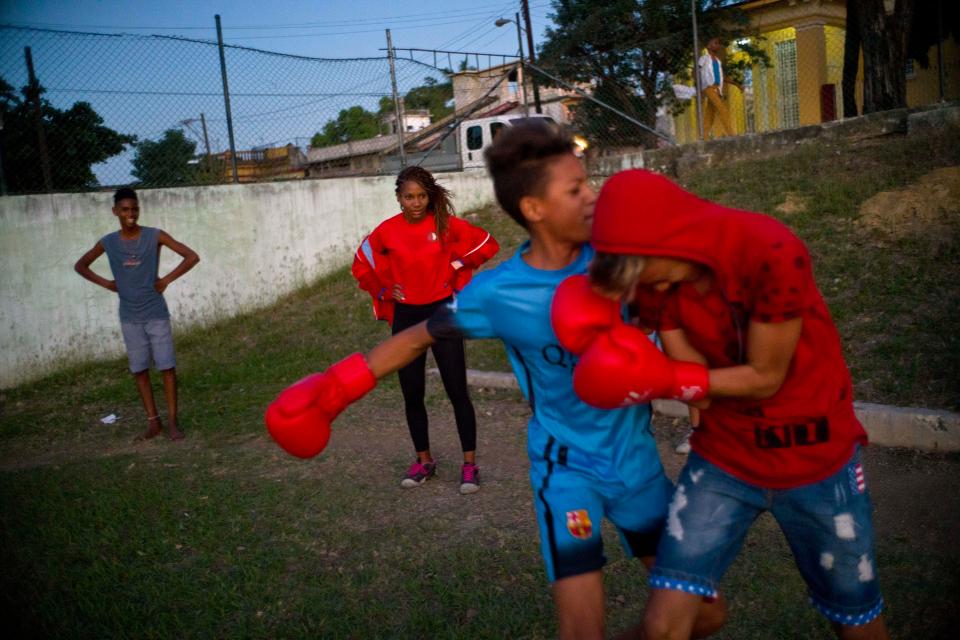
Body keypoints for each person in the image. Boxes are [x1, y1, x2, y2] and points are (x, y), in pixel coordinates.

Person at [264, 122, 724, 639]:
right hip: (564, 471)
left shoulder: (620, 263)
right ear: (534, 208)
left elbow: (696, 300)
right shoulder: (500, 292)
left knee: (705, 615)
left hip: (638, 468)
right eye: (575, 189)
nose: (592, 196)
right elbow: (417, 337)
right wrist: (333, 391)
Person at [552, 168, 889, 639]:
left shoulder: (771, 252)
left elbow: (765, 377)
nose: (634, 290)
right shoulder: (656, 283)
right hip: (725, 457)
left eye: (638, 272)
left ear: (665, 244)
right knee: (663, 624)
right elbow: (701, 390)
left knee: (856, 622)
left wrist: (665, 379)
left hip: (816, 457)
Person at [351, 166, 499, 493]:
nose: (416, 203)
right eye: (408, 197)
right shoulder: (386, 232)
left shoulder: (445, 225)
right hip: (406, 318)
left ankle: (470, 465)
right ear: (398, 199)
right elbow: (361, 264)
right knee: (412, 392)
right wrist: (383, 291)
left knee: (456, 390)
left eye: (421, 196)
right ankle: (424, 461)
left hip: (443, 314)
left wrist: (457, 265)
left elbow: (488, 244)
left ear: (429, 196)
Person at [75, 187, 200, 441]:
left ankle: (173, 422)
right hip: (129, 317)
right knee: (139, 370)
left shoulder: (155, 236)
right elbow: (81, 265)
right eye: (125, 209)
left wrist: (165, 280)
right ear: (115, 212)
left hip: (156, 313)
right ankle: (154, 423)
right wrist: (108, 284)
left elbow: (191, 256)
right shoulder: (108, 242)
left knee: (166, 367)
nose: (131, 213)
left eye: (134, 208)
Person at [698, 37, 734, 139]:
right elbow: (696, 72)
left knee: (710, 115)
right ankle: (732, 134)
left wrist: (737, 85)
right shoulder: (704, 58)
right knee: (722, 109)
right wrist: (700, 87)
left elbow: (722, 76)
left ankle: (704, 137)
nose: (717, 45)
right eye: (715, 43)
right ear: (708, 46)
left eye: (718, 43)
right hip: (708, 87)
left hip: (717, 88)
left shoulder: (718, 61)